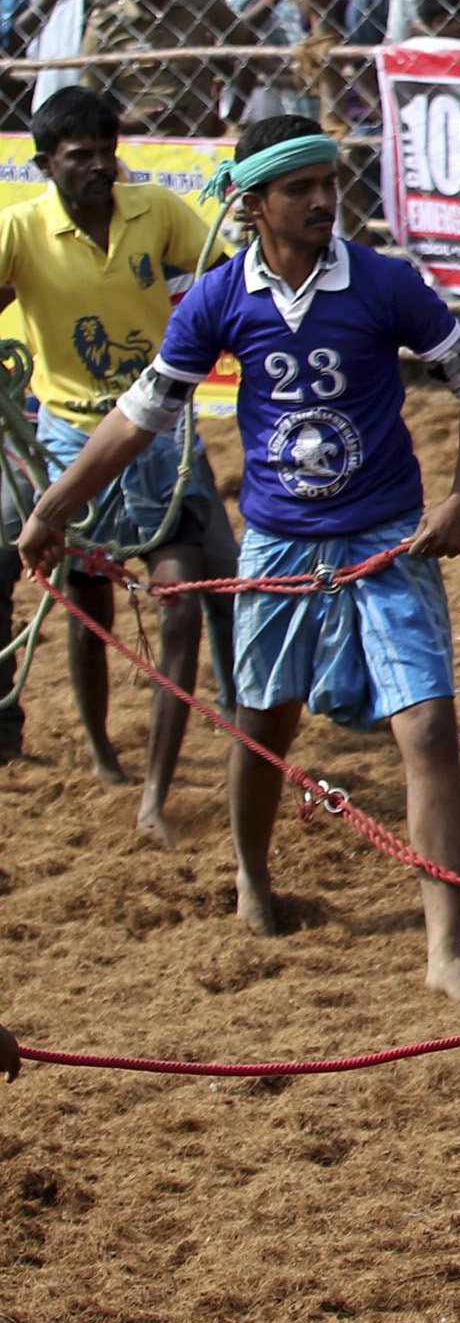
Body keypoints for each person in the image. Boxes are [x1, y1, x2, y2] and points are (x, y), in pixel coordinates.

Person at [16, 112, 460, 997]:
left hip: (387, 535)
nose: (323, 199)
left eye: (330, 183)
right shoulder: (215, 301)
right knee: (264, 723)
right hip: (278, 541)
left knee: (428, 727)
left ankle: (445, 947)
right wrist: (54, 508)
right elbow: (141, 415)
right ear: (252, 204)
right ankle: (253, 873)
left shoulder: (386, 285)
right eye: (300, 189)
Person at [0, 85, 224, 825]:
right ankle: (97, 748)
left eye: (106, 152)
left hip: (163, 433)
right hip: (69, 439)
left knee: (184, 595)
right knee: (85, 602)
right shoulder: (20, 230)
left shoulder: (156, 211)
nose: (99, 167)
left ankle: (158, 789)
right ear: (44, 164)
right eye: (79, 157)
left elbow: (220, 276)